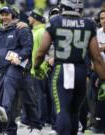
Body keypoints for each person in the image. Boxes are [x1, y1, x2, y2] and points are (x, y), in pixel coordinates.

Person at [34, 0, 105, 135]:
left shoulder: (55, 22)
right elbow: (96, 57)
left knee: (63, 110)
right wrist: (104, 80)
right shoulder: (89, 24)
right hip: (80, 71)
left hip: (62, 70)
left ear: (62, 8)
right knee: (74, 111)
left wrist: (37, 67)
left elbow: (41, 51)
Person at [0, 6, 42, 135]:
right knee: (4, 98)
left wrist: (20, 57)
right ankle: (5, 129)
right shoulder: (0, 33)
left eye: (7, 14)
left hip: (20, 69)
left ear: (13, 16)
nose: (4, 17)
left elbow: (28, 48)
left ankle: (35, 126)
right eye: (2, 15)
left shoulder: (21, 28)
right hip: (4, 70)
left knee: (28, 100)